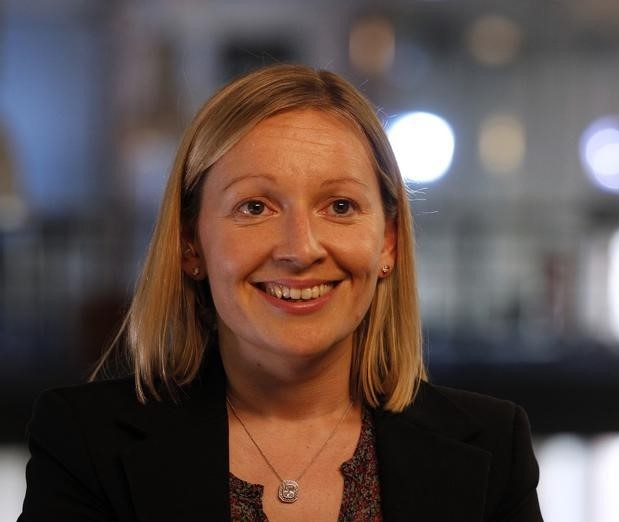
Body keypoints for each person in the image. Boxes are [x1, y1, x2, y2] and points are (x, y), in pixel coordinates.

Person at [19, 64, 543, 521]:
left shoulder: (495, 446)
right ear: (190, 244)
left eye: (339, 206)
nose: (301, 248)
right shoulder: (84, 443)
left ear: (388, 242)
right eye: (255, 207)